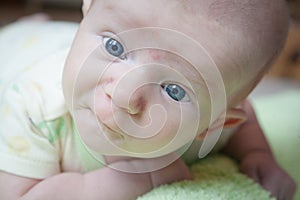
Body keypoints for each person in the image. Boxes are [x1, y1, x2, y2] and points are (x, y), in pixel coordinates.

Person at [0, 0, 296, 199]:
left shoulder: (213, 122)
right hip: (18, 47)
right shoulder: (32, 106)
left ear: (214, 124)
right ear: (87, 7)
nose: (125, 95)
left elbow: (246, 119)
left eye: (173, 90)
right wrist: (133, 180)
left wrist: (258, 155)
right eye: (114, 47)